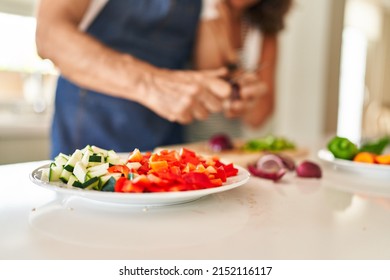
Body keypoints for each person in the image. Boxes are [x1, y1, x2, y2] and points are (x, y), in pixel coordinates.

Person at [36, 0, 232, 157]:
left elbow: (210, 68)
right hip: (90, 134)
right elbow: (49, 36)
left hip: (166, 139)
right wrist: (151, 84)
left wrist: (232, 88)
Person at [186, 0, 292, 141]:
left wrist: (228, 51)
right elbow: (211, 77)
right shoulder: (203, 12)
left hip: (232, 144)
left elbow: (258, 118)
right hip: (186, 138)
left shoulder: (264, 34)